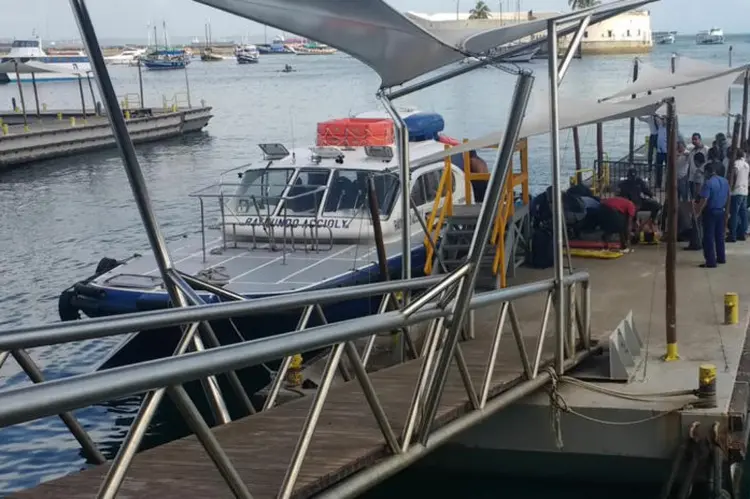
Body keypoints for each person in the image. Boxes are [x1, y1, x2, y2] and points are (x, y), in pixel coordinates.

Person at [695, 163, 730, 267]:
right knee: (719, 236)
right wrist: (727, 211)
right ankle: (721, 258)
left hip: (710, 212)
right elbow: (729, 197)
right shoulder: (725, 181)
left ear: (709, 172)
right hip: (721, 211)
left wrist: (698, 212)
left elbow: (704, 199)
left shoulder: (708, 183)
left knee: (708, 237)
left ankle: (710, 261)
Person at [728, 149, 749, 242]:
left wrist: (731, 185)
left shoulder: (736, 163)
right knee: (743, 213)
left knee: (734, 214)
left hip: (736, 191)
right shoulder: (747, 164)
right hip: (745, 191)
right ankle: (742, 233)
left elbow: (734, 174)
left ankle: (733, 235)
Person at [688, 133, 709, 199]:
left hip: (701, 177)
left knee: (699, 196)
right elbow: (690, 164)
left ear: (700, 139)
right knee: (693, 196)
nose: (694, 141)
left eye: (695, 139)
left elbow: (708, 162)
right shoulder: (692, 151)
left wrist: (700, 170)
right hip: (691, 177)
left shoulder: (706, 149)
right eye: (693, 139)